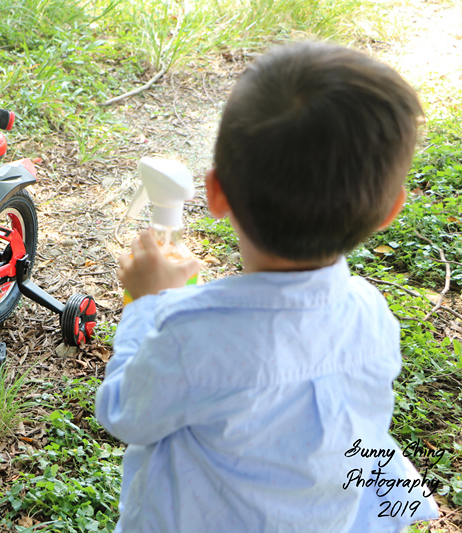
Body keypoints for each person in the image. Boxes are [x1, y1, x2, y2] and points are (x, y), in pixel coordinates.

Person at [95, 41, 440, 533]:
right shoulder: (371, 311)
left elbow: (124, 414)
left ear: (215, 194)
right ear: (389, 212)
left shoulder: (191, 336)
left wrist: (148, 305)